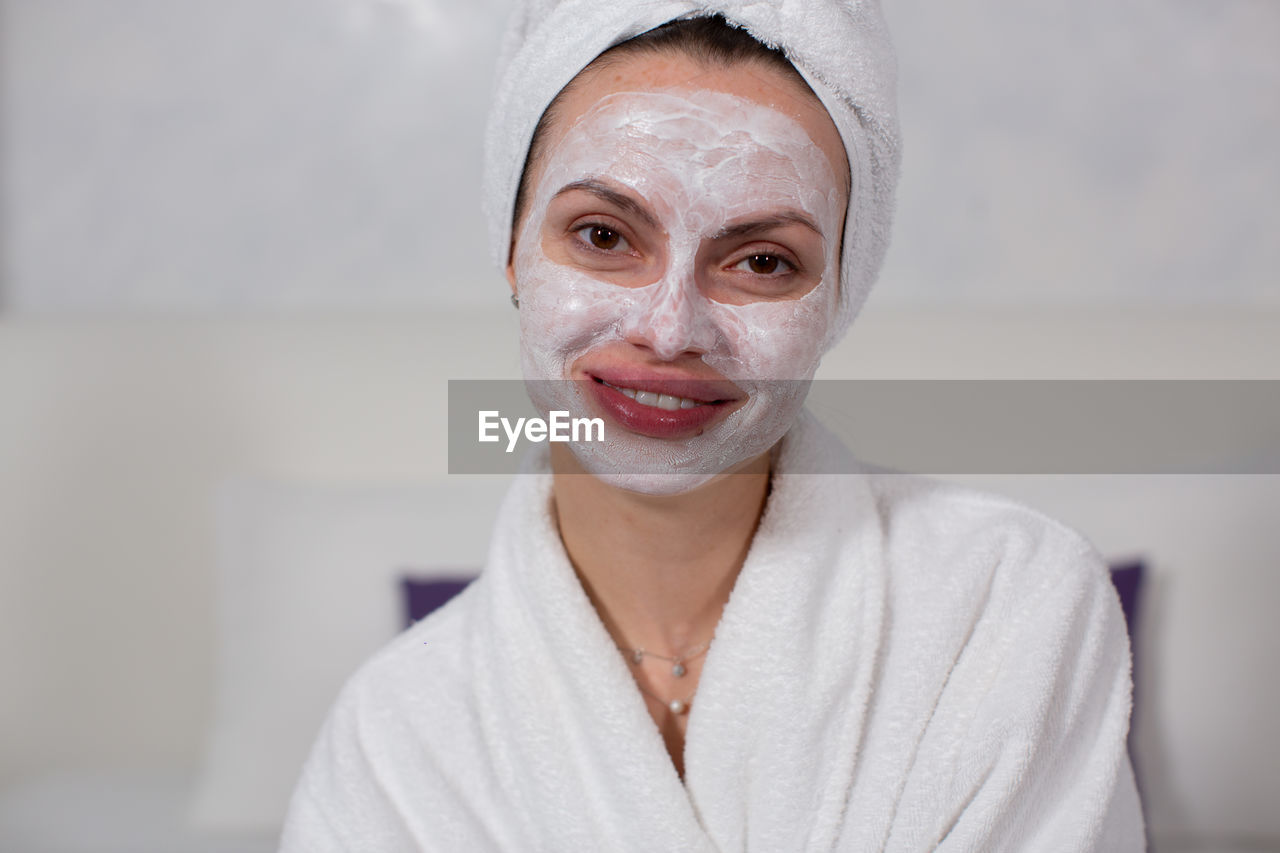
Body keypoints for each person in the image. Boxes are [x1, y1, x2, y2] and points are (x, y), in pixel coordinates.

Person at [281, 2, 1145, 850]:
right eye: (604, 234)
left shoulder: (1005, 611)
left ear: (840, 295)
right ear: (512, 248)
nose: (671, 328)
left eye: (763, 260)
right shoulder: (396, 745)